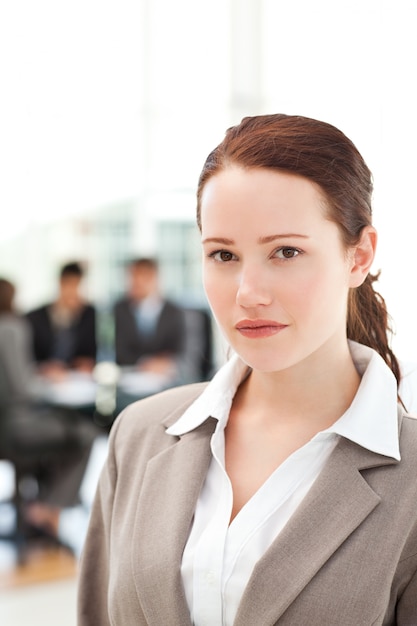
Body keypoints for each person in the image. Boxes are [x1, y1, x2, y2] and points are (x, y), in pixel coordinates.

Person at [77, 115, 417, 625]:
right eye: (223, 254)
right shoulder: (140, 435)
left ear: (359, 255)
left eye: (286, 251)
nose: (247, 293)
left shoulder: (409, 478)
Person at [0, 278, 99, 537]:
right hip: (17, 427)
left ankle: (43, 507)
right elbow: (22, 388)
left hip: (7, 426)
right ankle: (48, 508)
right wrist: (49, 382)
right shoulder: (11, 327)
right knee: (85, 433)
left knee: (62, 431)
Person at [114, 257, 186, 378]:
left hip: (166, 377)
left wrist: (165, 363)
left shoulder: (173, 311)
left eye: (141, 277)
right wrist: (144, 364)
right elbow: (120, 353)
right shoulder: (121, 309)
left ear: (154, 279)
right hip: (132, 376)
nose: (134, 282)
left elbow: (181, 351)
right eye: (131, 277)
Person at [25, 261, 97, 380]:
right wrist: (44, 367)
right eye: (71, 285)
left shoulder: (88, 313)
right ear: (60, 283)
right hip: (44, 380)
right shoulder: (34, 317)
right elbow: (28, 359)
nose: (74, 292)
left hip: (75, 380)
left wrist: (84, 364)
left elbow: (90, 354)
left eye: (78, 286)